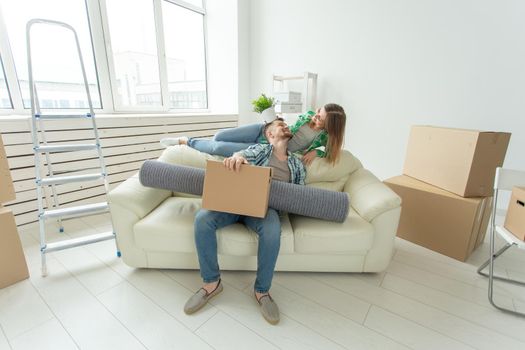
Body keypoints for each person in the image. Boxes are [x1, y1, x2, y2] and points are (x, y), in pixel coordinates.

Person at [184, 118, 306, 325]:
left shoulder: (297, 163)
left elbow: (301, 196)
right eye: (280, 125)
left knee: (272, 231)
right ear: (270, 135)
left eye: (286, 124)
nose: (286, 126)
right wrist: (237, 159)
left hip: (265, 211)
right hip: (234, 203)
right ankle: (212, 283)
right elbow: (242, 154)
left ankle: (262, 292)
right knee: (202, 219)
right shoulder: (260, 150)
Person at [160, 103, 347, 165]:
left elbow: (332, 152)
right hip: (265, 131)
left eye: (319, 118)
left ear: (329, 126)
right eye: (318, 111)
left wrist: (317, 152)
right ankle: (196, 142)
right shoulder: (307, 115)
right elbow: (286, 127)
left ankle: (184, 141)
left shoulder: (324, 138)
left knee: (217, 147)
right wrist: (276, 120)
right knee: (218, 135)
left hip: (267, 146)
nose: (314, 116)